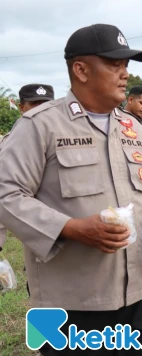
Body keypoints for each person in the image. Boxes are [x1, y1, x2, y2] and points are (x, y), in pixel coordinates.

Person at [0, 24, 142, 356]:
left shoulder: (132, 127)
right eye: (114, 64)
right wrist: (72, 228)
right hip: (75, 304)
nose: (125, 73)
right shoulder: (40, 126)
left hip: (140, 294)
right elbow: (6, 193)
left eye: (127, 64)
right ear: (80, 69)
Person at [0, 83, 55, 253]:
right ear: (21, 107)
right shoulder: (10, 140)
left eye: (45, 104)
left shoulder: (68, 138)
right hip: (28, 217)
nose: (40, 110)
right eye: (34, 104)